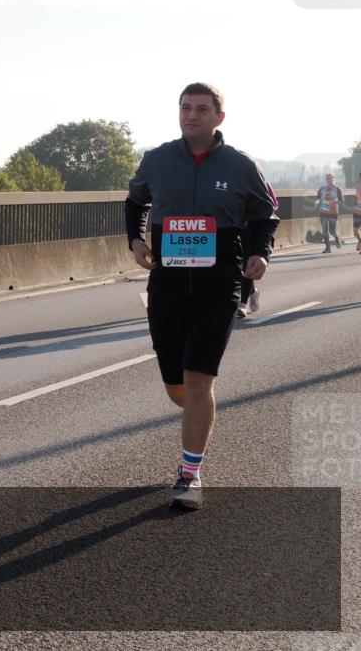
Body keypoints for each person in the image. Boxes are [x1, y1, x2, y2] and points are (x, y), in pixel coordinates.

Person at [126, 83, 278, 510]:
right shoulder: (157, 160)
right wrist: (135, 243)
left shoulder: (241, 165)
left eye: (201, 109)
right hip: (169, 284)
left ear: (218, 118)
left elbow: (266, 215)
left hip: (220, 282)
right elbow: (135, 202)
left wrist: (259, 254)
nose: (191, 115)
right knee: (176, 383)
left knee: (198, 379)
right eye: (186, 108)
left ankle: (190, 474)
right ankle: (197, 409)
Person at [237, 181, 279, 318]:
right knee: (237, 268)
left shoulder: (262, 183)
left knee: (247, 265)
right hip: (234, 230)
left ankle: (242, 304)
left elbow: (275, 205)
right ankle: (253, 291)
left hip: (253, 230)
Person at [316, 173, 344, 253]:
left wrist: (335, 202)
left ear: (333, 179)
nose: (329, 180)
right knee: (325, 230)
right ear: (326, 179)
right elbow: (318, 198)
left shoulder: (337, 189)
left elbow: (342, 201)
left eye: (330, 178)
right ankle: (328, 248)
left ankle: (336, 238)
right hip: (323, 212)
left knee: (332, 231)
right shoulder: (322, 188)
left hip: (333, 212)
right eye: (327, 178)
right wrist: (317, 201)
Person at [353, 170, 361, 255]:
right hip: (357, 210)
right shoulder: (358, 186)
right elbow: (357, 197)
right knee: (355, 232)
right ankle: (360, 240)